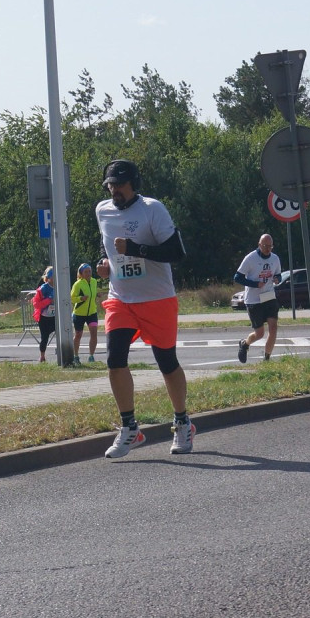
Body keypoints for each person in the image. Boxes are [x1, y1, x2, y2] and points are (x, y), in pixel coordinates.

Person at [94, 158, 194, 458]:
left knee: (167, 363)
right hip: (121, 298)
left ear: (133, 185)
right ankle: (130, 429)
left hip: (157, 298)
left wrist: (136, 249)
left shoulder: (153, 209)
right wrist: (104, 262)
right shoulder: (102, 210)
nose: (115, 192)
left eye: (120, 186)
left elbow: (176, 252)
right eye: (111, 186)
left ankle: (182, 422)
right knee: (114, 360)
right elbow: (107, 244)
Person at [234, 234, 282, 363]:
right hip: (254, 300)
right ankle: (245, 343)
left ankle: (267, 358)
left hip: (269, 296)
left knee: (273, 328)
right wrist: (255, 284)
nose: (268, 249)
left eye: (270, 246)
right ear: (259, 245)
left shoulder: (275, 258)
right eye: (265, 246)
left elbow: (278, 275)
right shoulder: (250, 258)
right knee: (259, 333)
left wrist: (278, 279)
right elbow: (237, 277)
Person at [70, 262, 100, 365]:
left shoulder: (94, 282)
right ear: (81, 274)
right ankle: (76, 356)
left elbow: (93, 293)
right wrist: (80, 298)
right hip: (79, 313)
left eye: (90, 271)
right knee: (78, 335)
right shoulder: (78, 284)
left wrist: (97, 294)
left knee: (94, 333)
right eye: (86, 272)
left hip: (92, 312)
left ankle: (91, 356)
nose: (88, 273)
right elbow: (72, 298)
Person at [32, 266, 56, 363]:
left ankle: (63, 350)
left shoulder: (59, 286)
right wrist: (49, 301)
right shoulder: (42, 289)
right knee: (44, 337)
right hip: (44, 317)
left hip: (55, 316)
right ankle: (42, 356)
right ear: (49, 277)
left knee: (62, 331)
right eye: (53, 276)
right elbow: (36, 304)